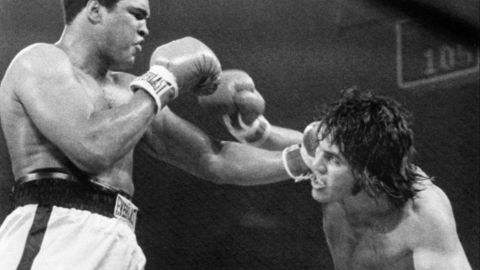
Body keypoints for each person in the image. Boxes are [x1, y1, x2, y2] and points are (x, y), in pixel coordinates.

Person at [0, 1, 300, 269]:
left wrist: (304, 159)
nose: (145, 29)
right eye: (136, 14)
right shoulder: (38, 61)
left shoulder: (129, 91)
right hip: (55, 232)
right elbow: (91, 148)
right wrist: (163, 82)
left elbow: (213, 159)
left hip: (121, 241)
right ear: (95, 10)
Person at [201, 71, 472, 270]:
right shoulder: (339, 161)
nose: (315, 164)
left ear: (368, 174)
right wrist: (247, 125)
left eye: (332, 159)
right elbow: (282, 140)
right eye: (321, 151)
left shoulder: (422, 217)